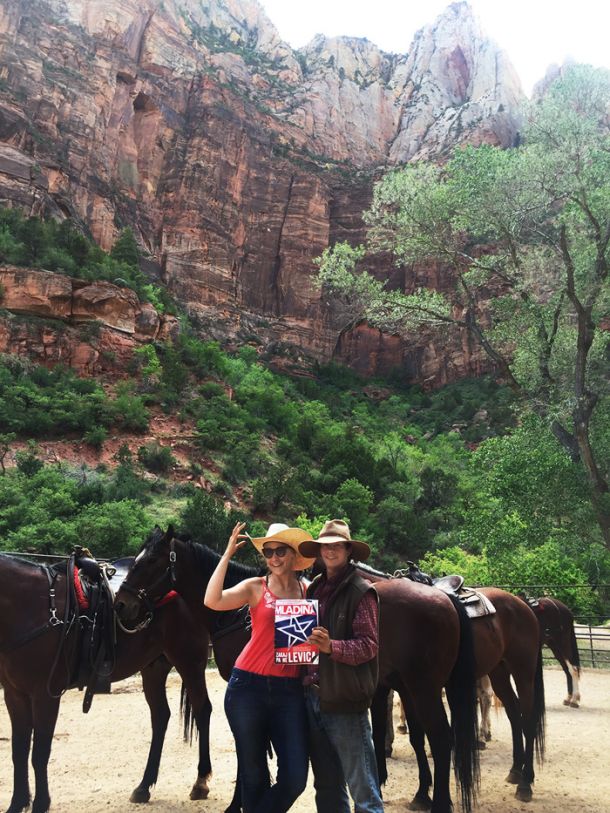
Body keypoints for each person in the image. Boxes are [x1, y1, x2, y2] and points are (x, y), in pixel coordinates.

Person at [204, 521, 316, 813]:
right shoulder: (256, 587)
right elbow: (212, 600)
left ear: (293, 555)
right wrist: (226, 555)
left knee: (295, 778)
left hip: (289, 692)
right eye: (268, 552)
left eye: (280, 551)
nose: (274, 558)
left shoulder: (308, 591)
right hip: (247, 688)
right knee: (253, 777)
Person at [298, 519, 384, 813]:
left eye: (337, 545)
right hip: (314, 697)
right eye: (325, 545)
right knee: (327, 785)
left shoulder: (362, 591)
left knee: (364, 788)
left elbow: (369, 646)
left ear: (348, 550)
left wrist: (331, 646)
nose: (330, 550)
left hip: (345, 699)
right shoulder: (315, 589)